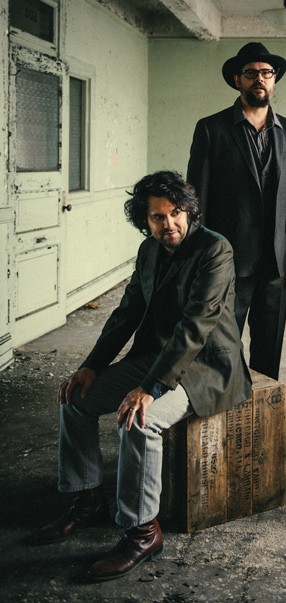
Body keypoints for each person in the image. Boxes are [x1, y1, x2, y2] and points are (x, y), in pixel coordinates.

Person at [29, 171, 252, 581]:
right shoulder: (149, 251)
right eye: (157, 217)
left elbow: (196, 326)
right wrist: (91, 366)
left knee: (139, 419)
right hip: (158, 356)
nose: (169, 224)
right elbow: (127, 313)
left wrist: (150, 388)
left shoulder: (215, 248)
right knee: (75, 399)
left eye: (176, 213)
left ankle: (142, 531)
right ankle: (88, 498)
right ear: (144, 221)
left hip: (205, 367)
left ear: (189, 211)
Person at [187, 42, 286, 461]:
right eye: (251, 73)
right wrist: (199, 256)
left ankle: (266, 426)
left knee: (268, 348)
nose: (259, 79)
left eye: (266, 73)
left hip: (278, 261)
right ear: (237, 80)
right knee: (222, 346)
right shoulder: (211, 128)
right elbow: (196, 199)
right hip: (228, 260)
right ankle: (223, 424)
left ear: (274, 81)